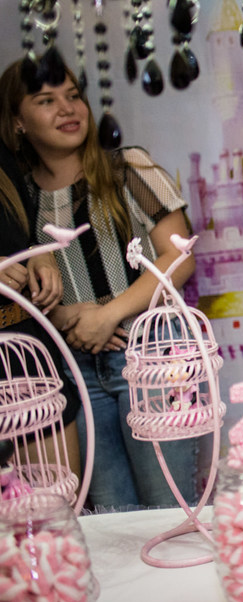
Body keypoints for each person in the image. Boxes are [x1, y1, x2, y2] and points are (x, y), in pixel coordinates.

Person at [0, 58, 197, 509]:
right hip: (75, 369)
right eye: (45, 101)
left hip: (151, 355)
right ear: (17, 121)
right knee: (110, 517)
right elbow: (33, 288)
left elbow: (179, 257)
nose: (67, 109)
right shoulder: (20, 195)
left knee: (169, 507)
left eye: (73, 96)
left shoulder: (126, 167)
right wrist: (66, 316)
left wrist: (109, 314)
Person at [0, 137, 79, 479]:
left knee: (59, 501)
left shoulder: (3, 155)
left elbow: (24, 234)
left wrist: (39, 254)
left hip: (28, 354)